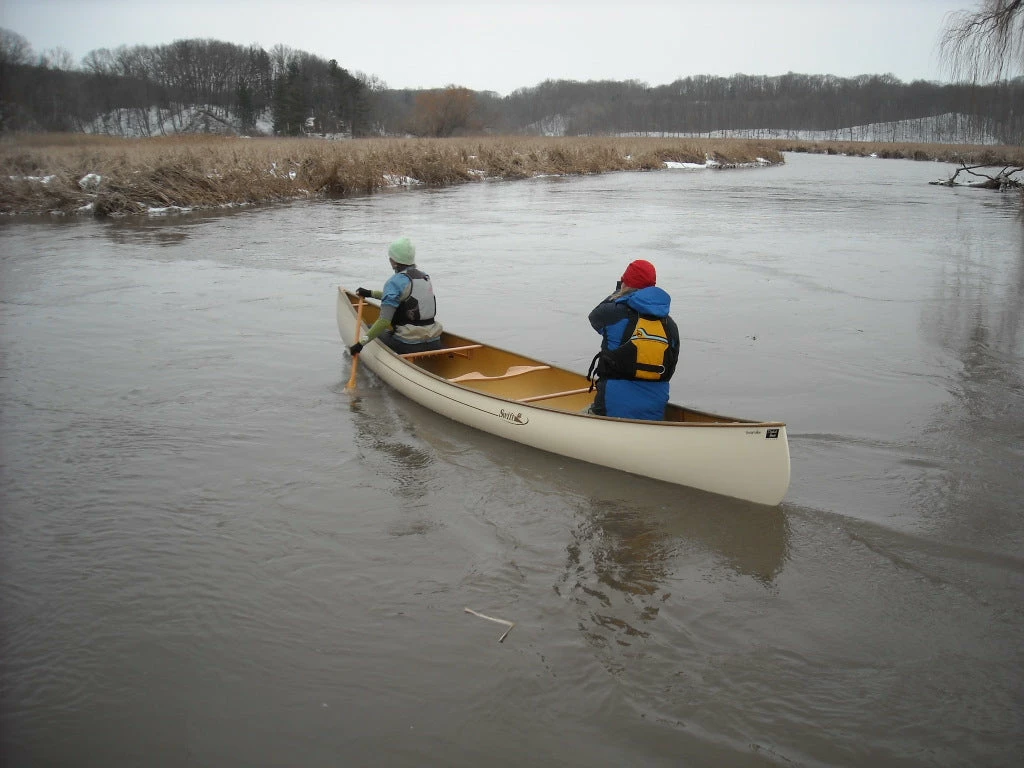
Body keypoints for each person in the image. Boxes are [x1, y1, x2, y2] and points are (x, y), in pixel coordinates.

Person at [586, 259, 679, 420]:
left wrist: (618, 292)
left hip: (610, 409)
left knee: (585, 413)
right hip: (654, 414)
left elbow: (594, 316)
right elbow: (670, 368)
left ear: (625, 283)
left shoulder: (612, 313)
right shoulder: (670, 325)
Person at [348, 237, 443, 356]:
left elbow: (384, 321)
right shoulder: (425, 277)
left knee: (370, 327)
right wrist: (370, 293)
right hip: (435, 341)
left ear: (393, 261)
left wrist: (360, 344)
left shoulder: (394, 282)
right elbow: (403, 298)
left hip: (408, 344)